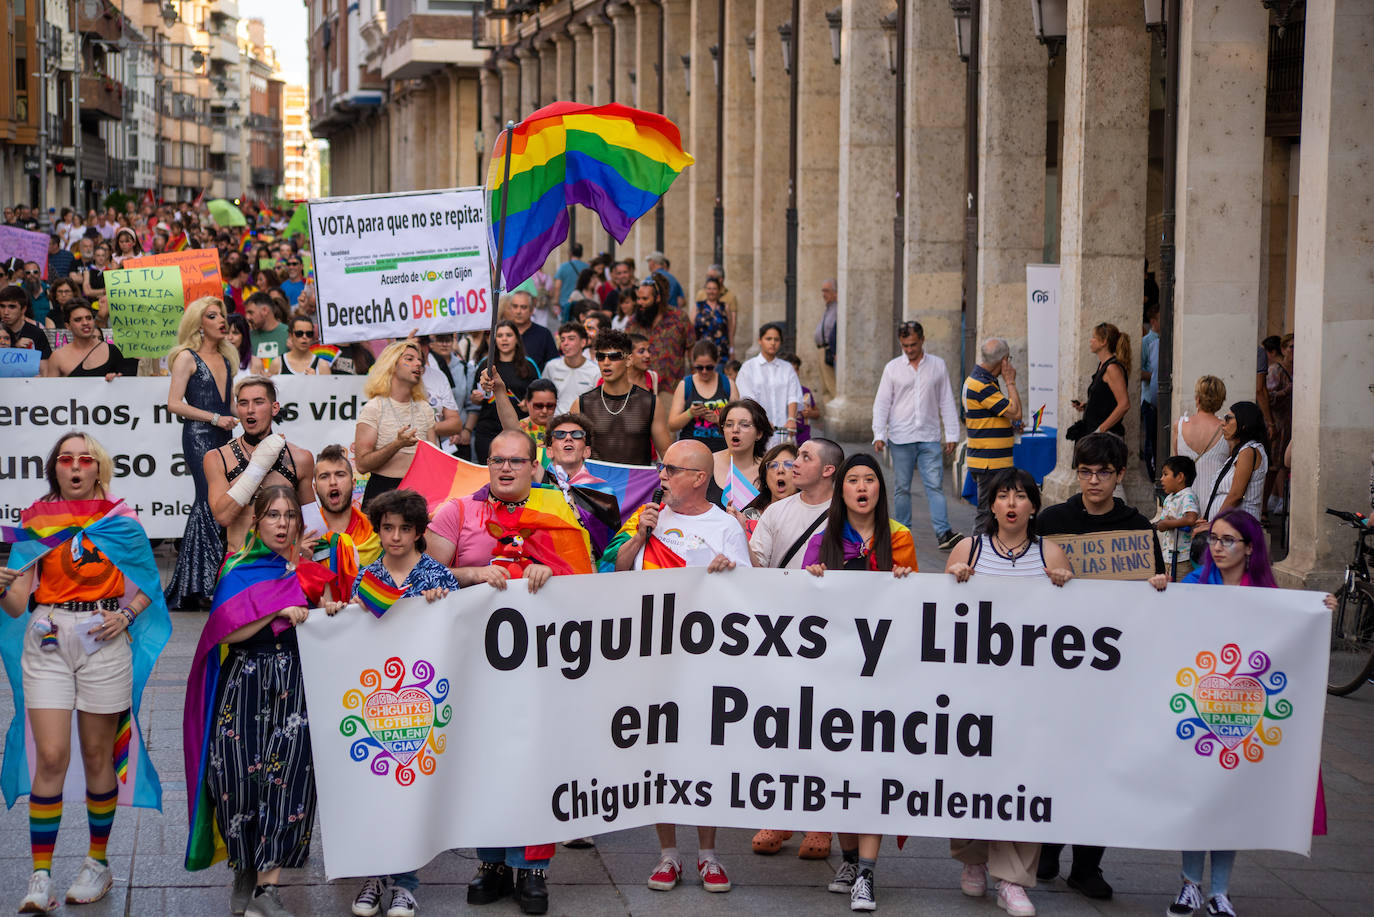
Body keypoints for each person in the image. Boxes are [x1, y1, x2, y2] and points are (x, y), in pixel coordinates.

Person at [0, 433, 170, 913]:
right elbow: (17, 604)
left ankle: (97, 863)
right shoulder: (35, 521)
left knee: (98, 756)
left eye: (85, 460)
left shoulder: (120, 519)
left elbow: (148, 586)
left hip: (103, 636)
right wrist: (2, 586)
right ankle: (40, 877)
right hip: (48, 634)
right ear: (55, 468)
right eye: (65, 460)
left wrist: (128, 614)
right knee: (51, 756)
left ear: (99, 468)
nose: (75, 467)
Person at [427, 430, 593, 915]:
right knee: (482, 762)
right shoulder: (457, 512)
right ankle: (492, 862)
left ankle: (533, 867)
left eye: (515, 461)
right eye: (497, 460)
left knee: (536, 761)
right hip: (472, 667)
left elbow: (587, 583)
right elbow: (421, 576)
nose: (504, 469)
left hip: (540, 668)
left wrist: (552, 575)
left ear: (532, 466)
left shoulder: (557, 512)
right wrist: (471, 574)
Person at [601, 441, 750, 895]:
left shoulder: (725, 526)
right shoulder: (647, 516)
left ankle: (708, 855)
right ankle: (668, 854)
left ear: (699, 477)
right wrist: (642, 535)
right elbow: (616, 570)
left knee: (704, 754)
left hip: (704, 661)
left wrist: (729, 571)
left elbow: (749, 596)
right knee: (656, 753)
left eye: (670, 469)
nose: (660, 475)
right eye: (661, 467)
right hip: (651, 655)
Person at [182, 485, 335, 917]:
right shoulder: (238, 568)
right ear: (258, 521)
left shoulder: (309, 570)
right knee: (234, 777)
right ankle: (244, 869)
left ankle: (269, 885)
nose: (282, 524)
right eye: (273, 515)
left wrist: (329, 610)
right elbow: (225, 633)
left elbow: (324, 618)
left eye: (289, 516)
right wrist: (279, 610)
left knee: (288, 776)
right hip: (246, 680)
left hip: (296, 681)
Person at [1033, 432, 1163, 901]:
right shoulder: (1052, 521)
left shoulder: (1138, 528)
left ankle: (1088, 864)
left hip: (1111, 672)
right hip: (1055, 665)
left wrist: (1158, 584)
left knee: (1102, 765)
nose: (1093, 481)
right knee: (1054, 758)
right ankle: (1046, 849)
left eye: (1103, 473)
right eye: (1085, 472)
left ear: (1119, 476)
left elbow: (1153, 594)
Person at [1149, 509, 1298, 917]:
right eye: (1214, 538)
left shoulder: (1268, 595)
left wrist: (1320, 608)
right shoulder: (1194, 585)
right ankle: (1189, 885)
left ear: (1250, 548)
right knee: (1198, 798)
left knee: (1229, 801)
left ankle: (1219, 892)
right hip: (1199, 709)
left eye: (1228, 540)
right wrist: (1162, 586)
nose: (1217, 546)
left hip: (1243, 713)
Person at [324, 489, 460, 917]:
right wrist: (335, 616)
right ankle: (375, 876)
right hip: (376, 704)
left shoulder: (437, 577)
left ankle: (405, 883)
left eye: (405, 529)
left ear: (420, 532)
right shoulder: (367, 578)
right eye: (387, 528)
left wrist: (444, 606)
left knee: (414, 793)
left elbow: (458, 635)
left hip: (422, 705)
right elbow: (356, 632)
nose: (395, 536)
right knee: (377, 790)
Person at [944, 467, 1072, 917]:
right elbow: (941, 620)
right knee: (974, 776)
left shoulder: (1051, 553)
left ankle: (1013, 878)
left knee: (1024, 778)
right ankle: (974, 858)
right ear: (992, 505)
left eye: (1020, 496)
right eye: (1003, 496)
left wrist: (1063, 587)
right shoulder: (969, 548)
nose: (1012, 504)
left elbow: (1071, 628)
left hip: (1031, 693)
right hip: (976, 690)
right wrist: (954, 579)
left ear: (1033, 506)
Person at [799, 454, 916, 911]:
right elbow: (796, 607)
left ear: (879, 490)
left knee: (873, 773)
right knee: (837, 774)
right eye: (853, 480)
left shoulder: (900, 538)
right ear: (841, 490)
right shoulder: (821, 541)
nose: (862, 487)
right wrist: (808, 583)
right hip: (831, 679)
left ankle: (867, 873)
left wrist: (907, 581)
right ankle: (848, 858)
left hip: (881, 680)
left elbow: (916, 611)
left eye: (870, 480)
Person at [165, 298, 240, 609]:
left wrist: (251, 413)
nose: (221, 320)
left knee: (221, 501)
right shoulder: (186, 357)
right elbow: (173, 403)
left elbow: (228, 405)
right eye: (212, 316)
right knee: (210, 500)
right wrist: (213, 418)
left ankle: (198, 583)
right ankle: (204, 583)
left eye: (221, 315)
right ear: (198, 324)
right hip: (199, 436)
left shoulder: (226, 358)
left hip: (225, 434)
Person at [872, 320, 963, 550]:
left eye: (913, 344)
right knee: (901, 487)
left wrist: (951, 433)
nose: (910, 350)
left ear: (922, 340)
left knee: (934, 485)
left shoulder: (938, 365)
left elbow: (946, 400)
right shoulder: (892, 368)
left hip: (929, 435)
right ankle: (903, 533)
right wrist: (879, 433)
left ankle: (943, 533)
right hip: (900, 437)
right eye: (905, 346)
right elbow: (882, 403)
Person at [205, 376, 317, 553]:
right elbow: (223, 517)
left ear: (274, 408)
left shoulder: (301, 459)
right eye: (243, 403)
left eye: (258, 402)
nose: (250, 410)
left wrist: (299, 549)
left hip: (282, 566)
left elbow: (313, 525)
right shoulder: (217, 458)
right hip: (241, 568)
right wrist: (258, 467)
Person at [355, 340, 439, 506]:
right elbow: (362, 465)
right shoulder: (374, 407)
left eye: (419, 361)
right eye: (409, 359)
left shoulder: (425, 408)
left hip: (418, 493)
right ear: (392, 365)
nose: (418, 364)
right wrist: (397, 445)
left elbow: (433, 461)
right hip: (382, 492)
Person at [573, 329, 671, 465]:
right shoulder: (582, 403)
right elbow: (570, 451)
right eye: (601, 357)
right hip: (594, 484)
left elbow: (666, 452)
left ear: (628, 360)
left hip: (637, 484)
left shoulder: (650, 403)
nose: (606, 362)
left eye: (614, 357)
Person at [300, 444, 382, 601]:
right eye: (324, 476)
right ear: (315, 488)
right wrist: (300, 560)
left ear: (353, 483)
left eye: (339, 475)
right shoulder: (304, 534)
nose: (333, 482)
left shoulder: (376, 532)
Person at [748, 438, 845, 570]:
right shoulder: (775, 510)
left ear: (827, 470)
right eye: (798, 455)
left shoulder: (847, 513)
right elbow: (756, 567)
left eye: (806, 457)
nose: (796, 463)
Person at [961, 338, 1022, 533]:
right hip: (990, 462)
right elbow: (1015, 411)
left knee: (993, 513)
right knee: (987, 513)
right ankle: (976, 555)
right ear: (1004, 360)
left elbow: (993, 415)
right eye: (1009, 359)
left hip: (990, 460)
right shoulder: (981, 384)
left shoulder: (982, 380)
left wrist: (1009, 425)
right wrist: (1010, 381)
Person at [467, 321, 541, 464]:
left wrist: (529, 402)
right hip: (487, 431)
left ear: (517, 339)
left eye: (508, 335)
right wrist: (475, 397)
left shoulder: (529, 365)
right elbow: (475, 399)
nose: (504, 339)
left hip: (519, 430)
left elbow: (538, 394)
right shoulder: (485, 364)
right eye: (500, 336)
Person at [1196, 402, 1268, 532]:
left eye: (1228, 419)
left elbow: (1235, 495)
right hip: (1228, 528)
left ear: (1244, 424)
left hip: (1239, 529)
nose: (1223, 423)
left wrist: (1213, 524)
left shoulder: (1248, 451)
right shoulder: (1239, 452)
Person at [626, 273, 694, 405]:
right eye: (638, 298)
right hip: (639, 389)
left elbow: (692, 351)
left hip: (670, 390)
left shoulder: (679, 319)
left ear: (657, 298)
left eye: (645, 299)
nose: (640, 303)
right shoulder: (633, 323)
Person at [735, 323, 803, 447]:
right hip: (758, 429)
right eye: (768, 339)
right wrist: (763, 420)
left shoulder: (787, 368)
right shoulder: (748, 367)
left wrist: (792, 419)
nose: (773, 343)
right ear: (760, 340)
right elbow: (747, 399)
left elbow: (793, 395)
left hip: (784, 431)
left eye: (776, 340)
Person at [1172, 375, 1229, 513]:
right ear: (1220, 401)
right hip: (1216, 504)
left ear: (1197, 398)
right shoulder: (1227, 430)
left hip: (1185, 504)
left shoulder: (1179, 426)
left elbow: (1176, 461)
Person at [1068, 322, 1131, 441]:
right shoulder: (1102, 365)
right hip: (1095, 435)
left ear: (1104, 342)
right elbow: (1107, 400)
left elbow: (1124, 405)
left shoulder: (1112, 368)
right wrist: (1087, 406)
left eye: (1093, 337)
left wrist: (1101, 430)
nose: (1090, 341)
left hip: (1105, 439)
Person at [668, 341, 732, 453]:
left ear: (716, 362)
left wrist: (718, 420)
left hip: (722, 451)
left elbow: (739, 421)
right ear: (693, 363)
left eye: (709, 367)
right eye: (699, 367)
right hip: (690, 452)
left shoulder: (728, 384)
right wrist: (690, 413)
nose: (704, 371)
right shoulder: (685, 385)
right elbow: (672, 425)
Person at [710, 399, 771, 512]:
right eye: (729, 424)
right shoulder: (707, 462)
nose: (735, 430)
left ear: (759, 433)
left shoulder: (769, 470)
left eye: (744, 425)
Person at [49, 301, 125, 379]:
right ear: (68, 326)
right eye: (78, 320)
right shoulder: (57, 357)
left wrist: (116, 380)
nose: (85, 323)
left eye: (89, 318)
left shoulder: (112, 350)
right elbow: (50, 389)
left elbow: (126, 385)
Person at [1157, 455, 1200, 581]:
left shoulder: (1187, 496)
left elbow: (1191, 518)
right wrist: (1163, 524)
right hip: (1168, 556)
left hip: (1183, 557)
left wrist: (1170, 524)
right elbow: (1162, 523)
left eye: (1165, 474)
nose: (1161, 479)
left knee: (1182, 589)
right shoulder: (1169, 498)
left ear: (1180, 477)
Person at [542, 322, 600, 413]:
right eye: (562, 340)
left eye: (571, 339)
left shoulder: (596, 371)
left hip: (582, 423)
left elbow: (598, 404)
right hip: (555, 422)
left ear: (583, 342)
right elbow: (543, 395)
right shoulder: (551, 366)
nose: (565, 343)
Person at [740, 442, 799, 528]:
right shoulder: (749, 517)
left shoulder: (810, 516)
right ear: (765, 478)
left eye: (789, 465)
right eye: (773, 465)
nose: (780, 470)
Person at [0, 285, 52, 374]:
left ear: (23, 309)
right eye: (2, 306)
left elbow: (45, 371)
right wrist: (15, 348)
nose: (6, 312)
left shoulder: (37, 334)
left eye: (12, 307)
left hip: (30, 385)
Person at [504, 289, 558, 370]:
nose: (518, 311)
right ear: (510, 308)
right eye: (515, 306)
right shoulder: (502, 332)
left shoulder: (544, 334)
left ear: (532, 310)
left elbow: (554, 364)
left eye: (523, 307)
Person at [266, 312, 331, 376]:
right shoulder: (277, 363)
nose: (304, 337)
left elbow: (328, 386)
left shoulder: (322, 366)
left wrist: (316, 381)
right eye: (299, 333)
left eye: (309, 334)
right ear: (290, 335)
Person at [693, 278, 733, 369]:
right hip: (702, 352)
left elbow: (730, 330)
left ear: (719, 290)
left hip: (721, 352)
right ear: (705, 290)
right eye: (709, 288)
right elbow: (691, 330)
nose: (711, 291)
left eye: (714, 289)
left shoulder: (724, 307)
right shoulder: (698, 306)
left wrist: (732, 349)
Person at [1140, 304, 1161, 475]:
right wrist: (1156, 377)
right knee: (1151, 441)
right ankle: (1151, 475)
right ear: (1153, 321)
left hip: (1165, 400)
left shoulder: (1170, 339)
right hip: (1150, 400)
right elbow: (1139, 371)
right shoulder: (1146, 342)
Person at [244, 291, 289, 366]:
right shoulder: (248, 337)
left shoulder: (289, 334)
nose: (247, 317)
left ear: (265, 310)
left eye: (251, 312)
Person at [783, 352, 819, 444]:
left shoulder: (805, 391)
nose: (794, 373)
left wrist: (810, 413)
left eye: (796, 369)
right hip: (785, 436)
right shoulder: (779, 392)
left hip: (803, 437)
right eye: (791, 370)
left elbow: (817, 413)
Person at [813, 278, 838, 399]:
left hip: (829, 350)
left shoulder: (838, 308)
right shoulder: (828, 308)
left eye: (827, 291)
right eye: (823, 291)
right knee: (825, 388)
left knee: (831, 385)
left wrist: (836, 351)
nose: (824, 294)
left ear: (836, 292)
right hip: (821, 350)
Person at [553, 242, 588, 321]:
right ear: (581, 253)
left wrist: (556, 302)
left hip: (565, 303)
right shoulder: (587, 267)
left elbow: (557, 286)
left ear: (570, 253)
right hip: (582, 302)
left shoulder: (563, 267)